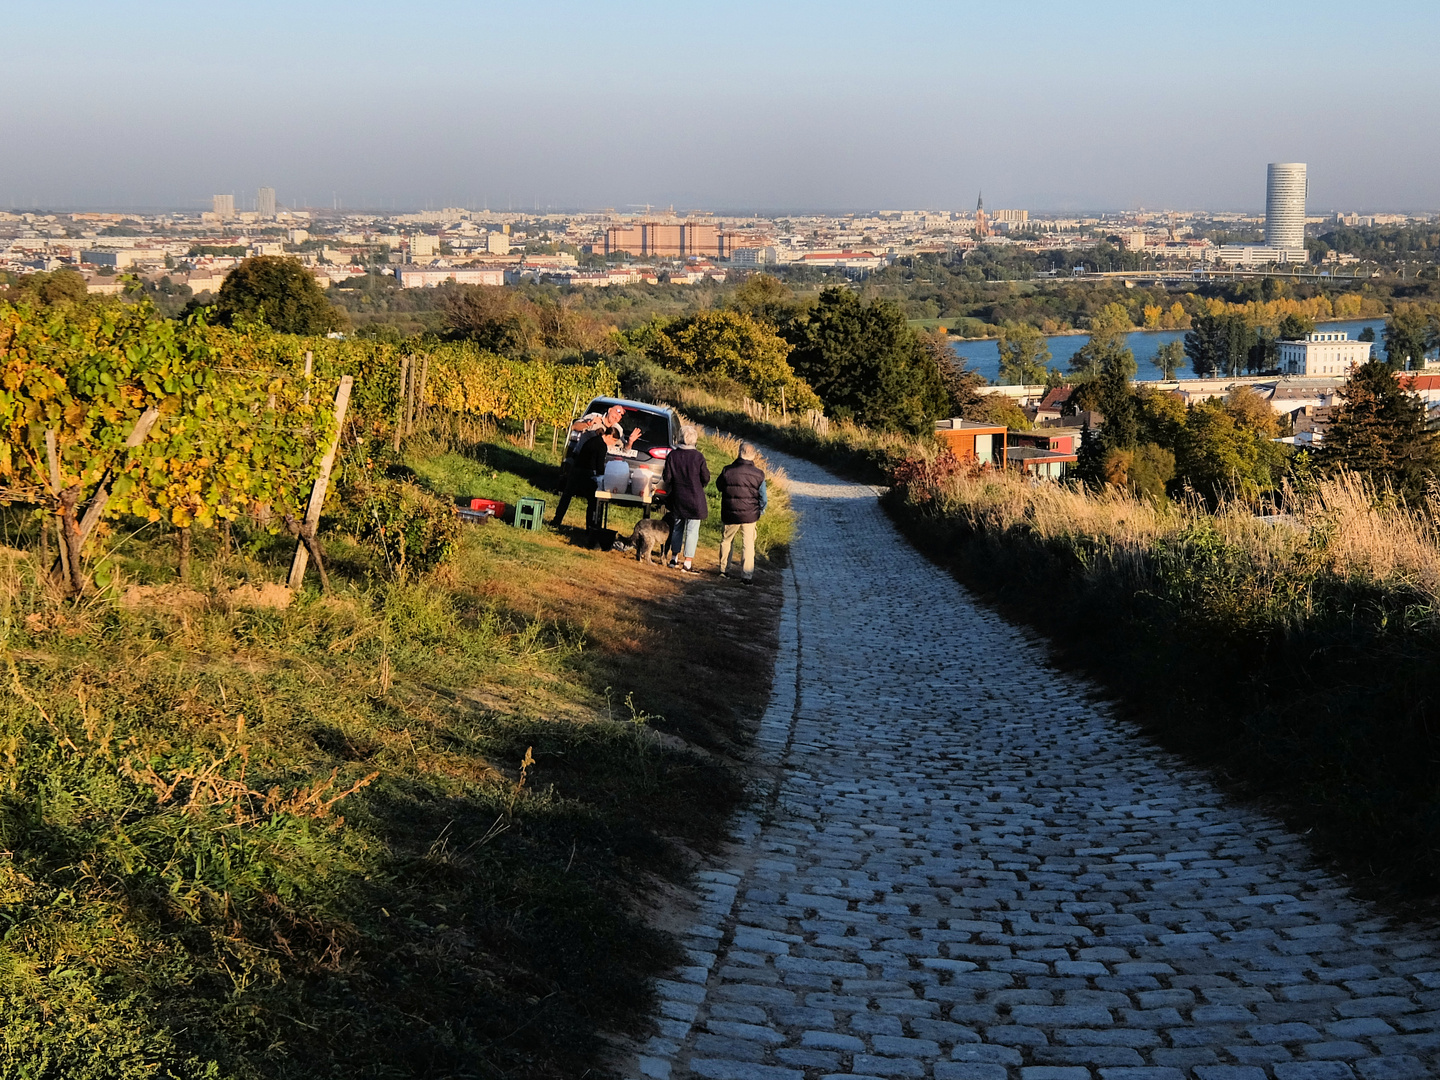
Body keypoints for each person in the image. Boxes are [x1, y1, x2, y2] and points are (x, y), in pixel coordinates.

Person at [715, 442, 766, 585]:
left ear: (739, 452)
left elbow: (719, 486)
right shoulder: (759, 474)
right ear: (754, 456)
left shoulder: (727, 470)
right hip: (750, 514)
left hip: (730, 511)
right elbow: (763, 497)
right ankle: (746, 575)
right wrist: (760, 510)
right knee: (748, 544)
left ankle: (723, 569)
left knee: (726, 540)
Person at [661, 425, 709, 573]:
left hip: (678, 496)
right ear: (694, 440)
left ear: (681, 438)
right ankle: (687, 562)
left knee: (677, 527)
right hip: (695, 498)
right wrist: (699, 484)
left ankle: (674, 557)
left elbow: (667, 477)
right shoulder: (698, 457)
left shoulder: (672, 455)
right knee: (692, 530)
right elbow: (706, 477)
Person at [552, 428, 617, 531]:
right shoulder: (602, 446)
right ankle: (590, 527)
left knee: (567, 495)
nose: (612, 444)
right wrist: (602, 479)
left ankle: (556, 520)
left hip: (576, 470)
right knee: (592, 501)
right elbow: (599, 466)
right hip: (587, 473)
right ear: (609, 436)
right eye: (613, 441)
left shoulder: (592, 440)